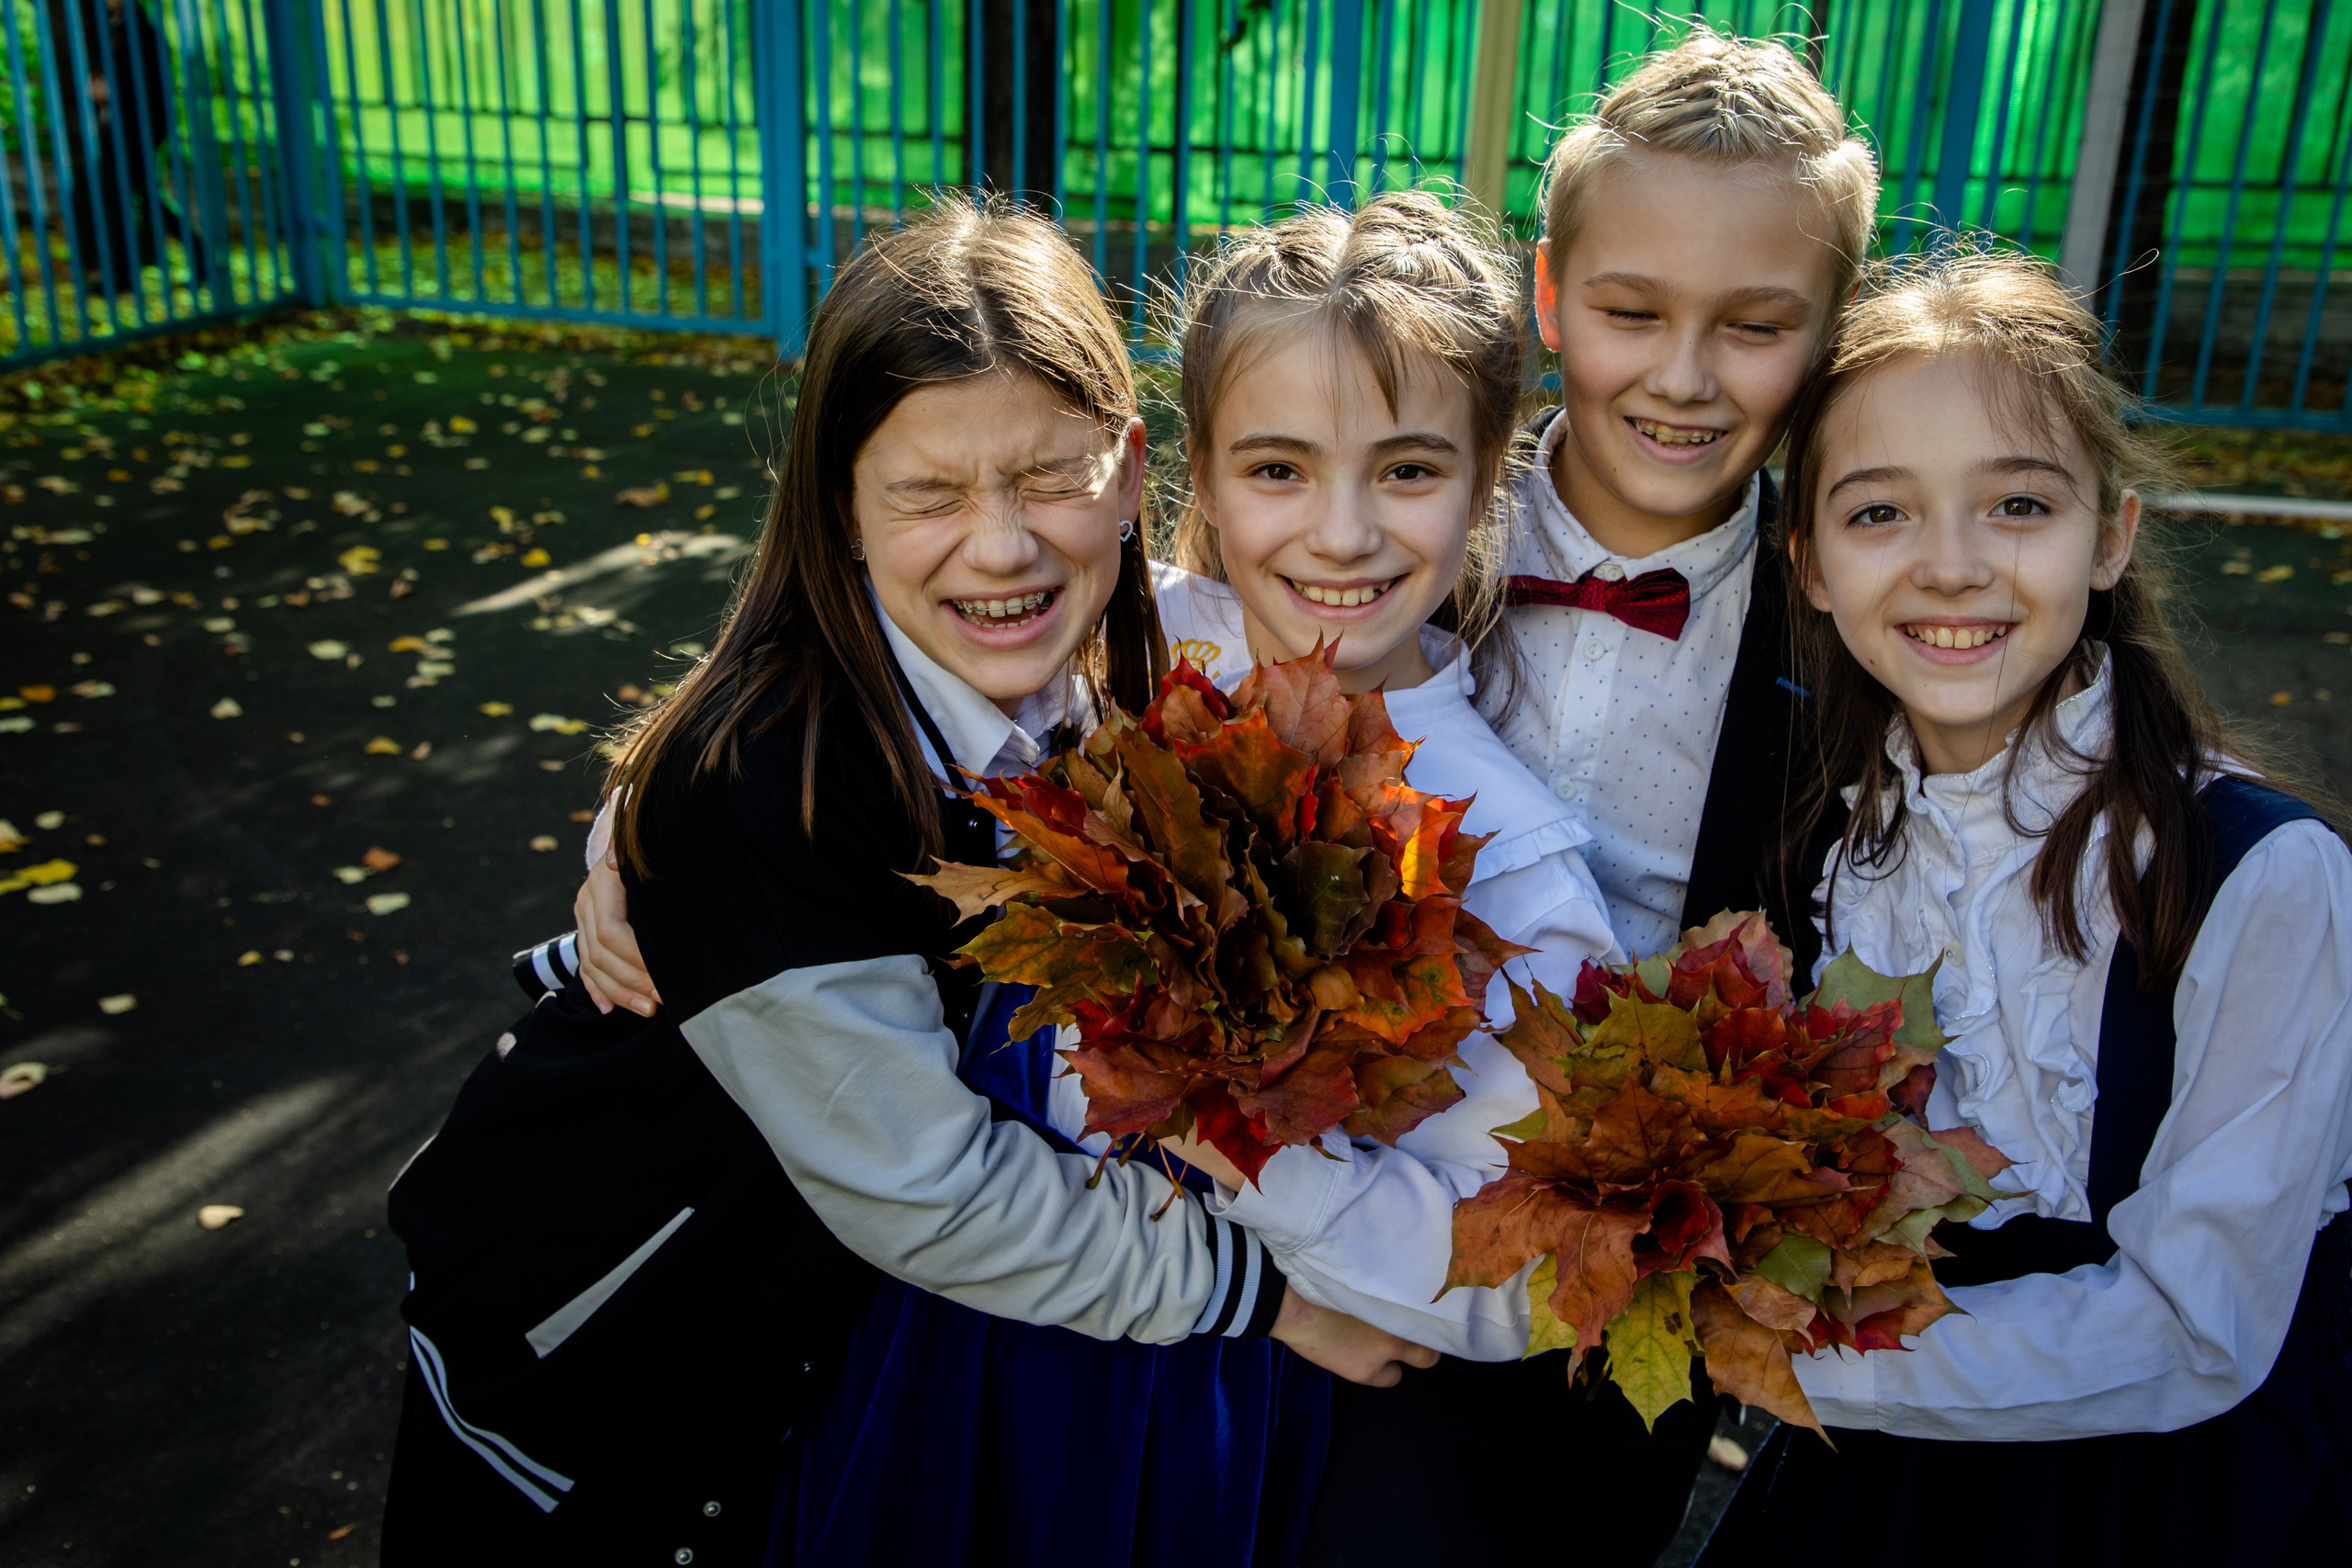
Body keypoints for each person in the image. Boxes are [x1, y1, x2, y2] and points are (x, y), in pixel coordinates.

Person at [564, 191, 1621, 1567]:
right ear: (1188, 472)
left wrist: (1245, 1187)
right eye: (1280, 471)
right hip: (978, 1330)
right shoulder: (1128, 647)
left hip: (1225, 1355)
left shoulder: (1514, 860)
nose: (1343, 535)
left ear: (1491, 482)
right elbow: (826, 714)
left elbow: (1530, 1256)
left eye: (1409, 472)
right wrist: (628, 839)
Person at [381, 195, 1430, 1568]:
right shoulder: (769, 786)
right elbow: (932, 1189)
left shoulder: (1113, 693)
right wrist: (1265, 1292)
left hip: (806, 1350)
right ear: (841, 507)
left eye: (1051, 478)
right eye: (930, 496)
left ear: (1128, 471)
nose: (1000, 548)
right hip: (596, 1358)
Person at [1275, 29, 1883, 1565]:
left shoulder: (1862, 628)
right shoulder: (1388, 525)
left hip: (1618, 1292)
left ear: (1824, 340)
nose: (1682, 378)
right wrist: (649, 829)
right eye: (1630, 313)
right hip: (1307, 1207)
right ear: (1549, 297)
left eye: (1754, 329)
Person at [1695, 250, 2352, 1566]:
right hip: (1897, 1475)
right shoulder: (1835, 846)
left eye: (2018, 506)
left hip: (2167, 1494)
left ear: (2111, 534)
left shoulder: (2259, 877)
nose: (1951, 567)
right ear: (1808, 562)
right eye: (1879, 513)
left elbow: (2195, 1328)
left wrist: (1800, 1369)